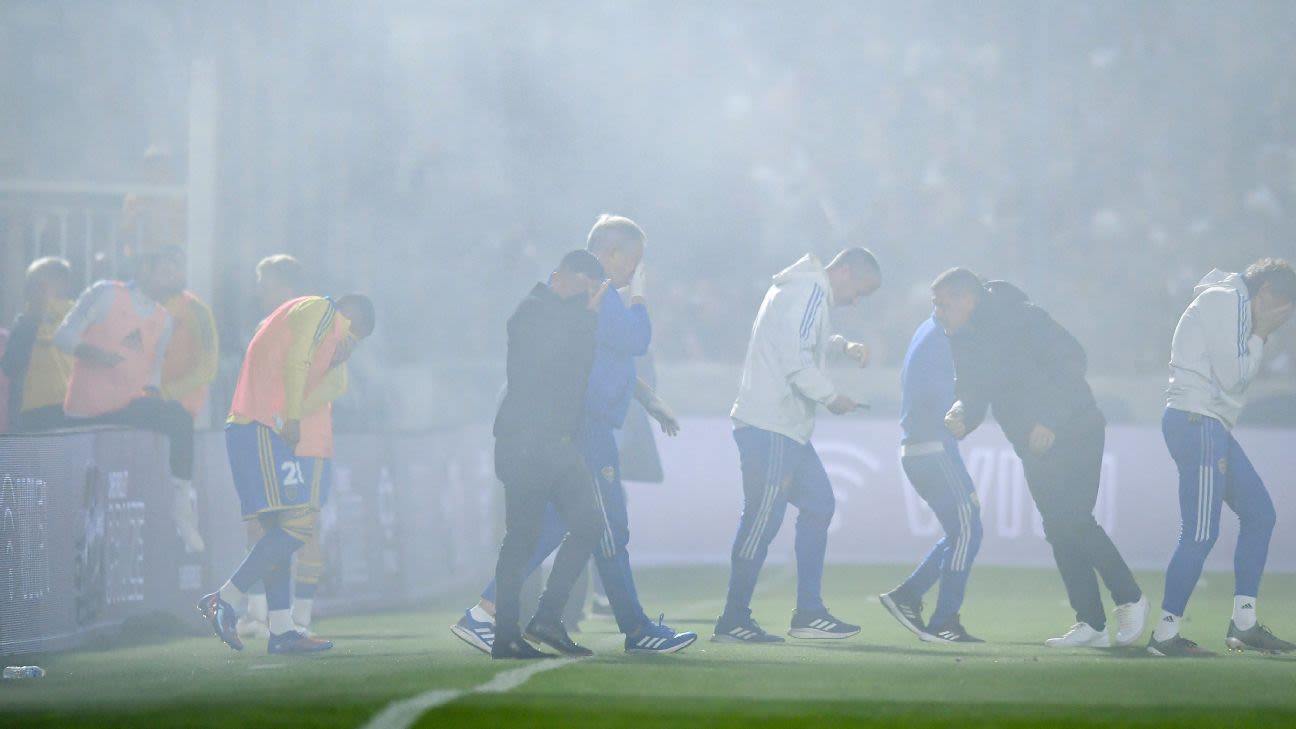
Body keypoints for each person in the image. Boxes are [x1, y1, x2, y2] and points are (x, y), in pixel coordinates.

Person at [453, 216, 696, 656]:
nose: (635, 271)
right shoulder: (600, 293)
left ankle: (495, 610)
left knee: (555, 525)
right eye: (633, 262)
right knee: (607, 527)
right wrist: (640, 294)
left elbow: (608, 358)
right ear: (610, 254)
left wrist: (645, 397)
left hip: (583, 423)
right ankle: (635, 629)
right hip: (587, 428)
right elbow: (635, 340)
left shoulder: (593, 296)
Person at [935, 267, 1147, 648]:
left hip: (1077, 428)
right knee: (1057, 525)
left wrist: (1050, 419)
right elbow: (973, 391)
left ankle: (1129, 597)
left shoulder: (1022, 317)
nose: (938, 312)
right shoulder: (962, 338)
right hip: (1030, 441)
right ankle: (1091, 623)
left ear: (967, 299)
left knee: (1074, 519)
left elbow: (1072, 360)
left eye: (943, 303)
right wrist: (962, 414)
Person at [713, 248, 880, 643]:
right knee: (762, 519)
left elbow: (801, 339)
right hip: (771, 425)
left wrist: (841, 346)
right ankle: (734, 620)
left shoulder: (801, 291)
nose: (856, 301)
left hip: (785, 428)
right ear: (844, 271)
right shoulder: (809, 291)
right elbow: (795, 359)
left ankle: (808, 613)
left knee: (819, 503)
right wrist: (831, 396)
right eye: (860, 290)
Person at [197, 292, 374, 655]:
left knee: (280, 527)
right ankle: (225, 598)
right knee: (297, 526)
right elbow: (295, 362)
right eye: (356, 338)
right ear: (351, 321)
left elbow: (317, 381)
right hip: (258, 423)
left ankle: (281, 629)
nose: (351, 347)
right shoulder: (322, 309)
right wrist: (292, 417)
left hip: (261, 426)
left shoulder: (325, 345)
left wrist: (334, 366)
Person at [1148, 259, 1296, 657]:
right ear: (1265, 292)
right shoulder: (1225, 302)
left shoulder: (1231, 302)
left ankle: (1244, 624)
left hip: (1209, 425)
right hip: (1199, 423)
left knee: (1260, 514)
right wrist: (1262, 334)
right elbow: (1234, 377)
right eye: (1282, 303)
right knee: (1200, 532)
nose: (1282, 313)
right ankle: (1164, 636)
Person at [489, 249, 610, 659]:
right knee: (520, 539)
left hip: (558, 444)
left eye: (591, 291)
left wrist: (586, 318)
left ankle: (546, 618)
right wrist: (587, 317)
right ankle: (505, 633)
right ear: (562, 276)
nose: (586, 296)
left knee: (590, 524)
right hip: (525, 443)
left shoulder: (570, 316)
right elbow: (557, 363)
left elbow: (579, 371)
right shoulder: (531, 312)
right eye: (583, 286)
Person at [53, 247, 204, 553]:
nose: (171, 279)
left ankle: (182, 506)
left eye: (175, 273)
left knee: (178, 417)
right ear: (144, 270)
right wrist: (91, 352)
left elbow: (154, 373)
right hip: (87, 411)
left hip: (126, 408)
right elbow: (62, 336)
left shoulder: (164, 320)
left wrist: (153, 398)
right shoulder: (106, 294)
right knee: (83, 500)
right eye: (165, 271)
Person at [879, 314, 984, 643]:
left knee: (962, 530)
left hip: (921, 447)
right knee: (968, 528)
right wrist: (957, 409)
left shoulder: (929, 330)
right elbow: (938, 390)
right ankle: (943, 621)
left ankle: (909, 596)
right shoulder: (944, 334)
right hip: (933, 447)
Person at [238, 254, 307, 640]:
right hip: (265, 430)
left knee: (276, 525)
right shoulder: (274, 322)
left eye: (262, 281)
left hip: (273, 433)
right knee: (266, 524)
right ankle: (267, 616)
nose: (257, 289)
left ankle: (245, 605)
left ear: (281, 283)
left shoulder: (292, 321)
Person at [1, 257, 75, 432]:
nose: (42, 293)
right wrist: (33, 319)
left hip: (71, 409)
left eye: (46, 285)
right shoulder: (24, 323)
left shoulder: (75, 317)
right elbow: (11, 367)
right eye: (36, 287)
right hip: (35, 413)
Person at [160, 268, 220, 423]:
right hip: (142, 405)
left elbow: (208, 368)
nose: (175, 271)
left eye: (179, 265)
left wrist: (167, 393)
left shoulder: (197, 310)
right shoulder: (143, 304)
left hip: (182, 408)